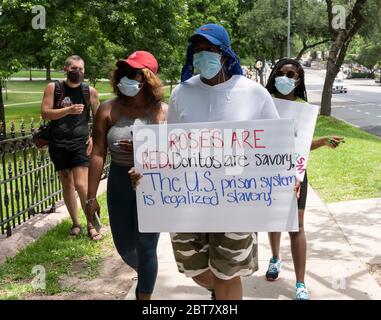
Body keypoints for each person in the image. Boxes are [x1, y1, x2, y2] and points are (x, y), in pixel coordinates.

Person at [131, 24, 280, 300]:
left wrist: (287, 181)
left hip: (237, 200)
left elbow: (276, 144)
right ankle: (219, 291)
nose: (203, 56)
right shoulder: (182, 93)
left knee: (227, 274)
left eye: (210, 49)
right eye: (197, 50)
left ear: (224, 53)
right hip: (189, 198)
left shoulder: (254, 92)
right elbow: (170, 146)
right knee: (198, 271)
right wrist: (146, 171)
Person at [85, 51, 167, 300]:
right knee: (125, 247)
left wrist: (146, 149)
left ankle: (145, 299)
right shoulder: (108, 110)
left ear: (148, 79)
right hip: (119, 180)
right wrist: (90, 197)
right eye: (123, 73)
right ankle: (147, 274)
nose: (126, 78)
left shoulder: (162, 112)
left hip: (152, 182)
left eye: (133, 74)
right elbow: (98, 152)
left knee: (146, 246)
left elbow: (177, 151)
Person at [265, 58, 344, 300]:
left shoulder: (302, 108)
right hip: (267, 171)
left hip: (296, 173)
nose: (286, 78)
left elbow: (300, 147)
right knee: (274, 221)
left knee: (297, 225)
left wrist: (322, 142)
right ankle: (275, 258)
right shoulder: (263, 103)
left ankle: (300, 283)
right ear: (274, 74)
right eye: (283, 72)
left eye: (292, 75)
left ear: (299, 80)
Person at [41, 55, 100, 239]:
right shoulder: (54, 88)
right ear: (66, 69)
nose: (78, 72)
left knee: (82, 185)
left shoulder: (89, 91)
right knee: (66, 183)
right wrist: (67, 110)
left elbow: (99, 119)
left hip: (80, 143)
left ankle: (92, 224)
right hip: (58, 143)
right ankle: (76, 223)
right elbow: (45, 113)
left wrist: (93, 137)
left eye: (81, 69)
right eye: (74, 68)